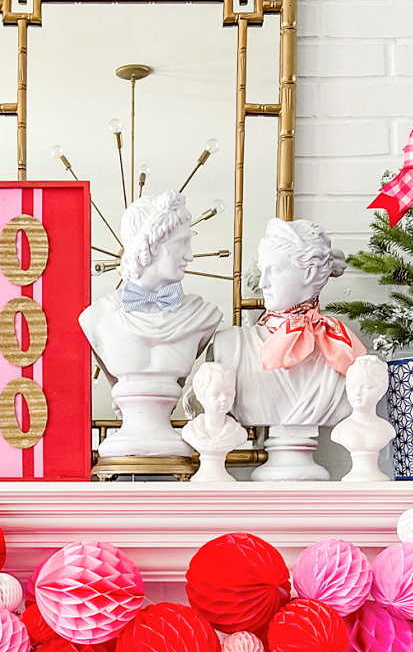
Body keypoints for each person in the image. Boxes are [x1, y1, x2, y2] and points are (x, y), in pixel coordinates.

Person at [211, 218, 363, 479]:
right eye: (262, 270)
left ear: (310, 272)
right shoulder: (230, 346)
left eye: (275, 270)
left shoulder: (342, 348)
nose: (263, 283)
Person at [79, 191, 223, 459]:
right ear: (151, 245)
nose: (190, 256)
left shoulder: (202, 315)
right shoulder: (97, 318)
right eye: (182, 243)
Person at [330, 354, 395, 483]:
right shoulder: (340, 431)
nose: (357, 393)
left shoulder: (387, 430)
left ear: (381, 390)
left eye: (366, 387)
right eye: (353, 387)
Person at [182, 361, 245, 485]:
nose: (224, 399)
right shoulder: (190, 431)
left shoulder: (238, 433)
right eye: (215, 394)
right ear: (200, 396)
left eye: (229, 393)